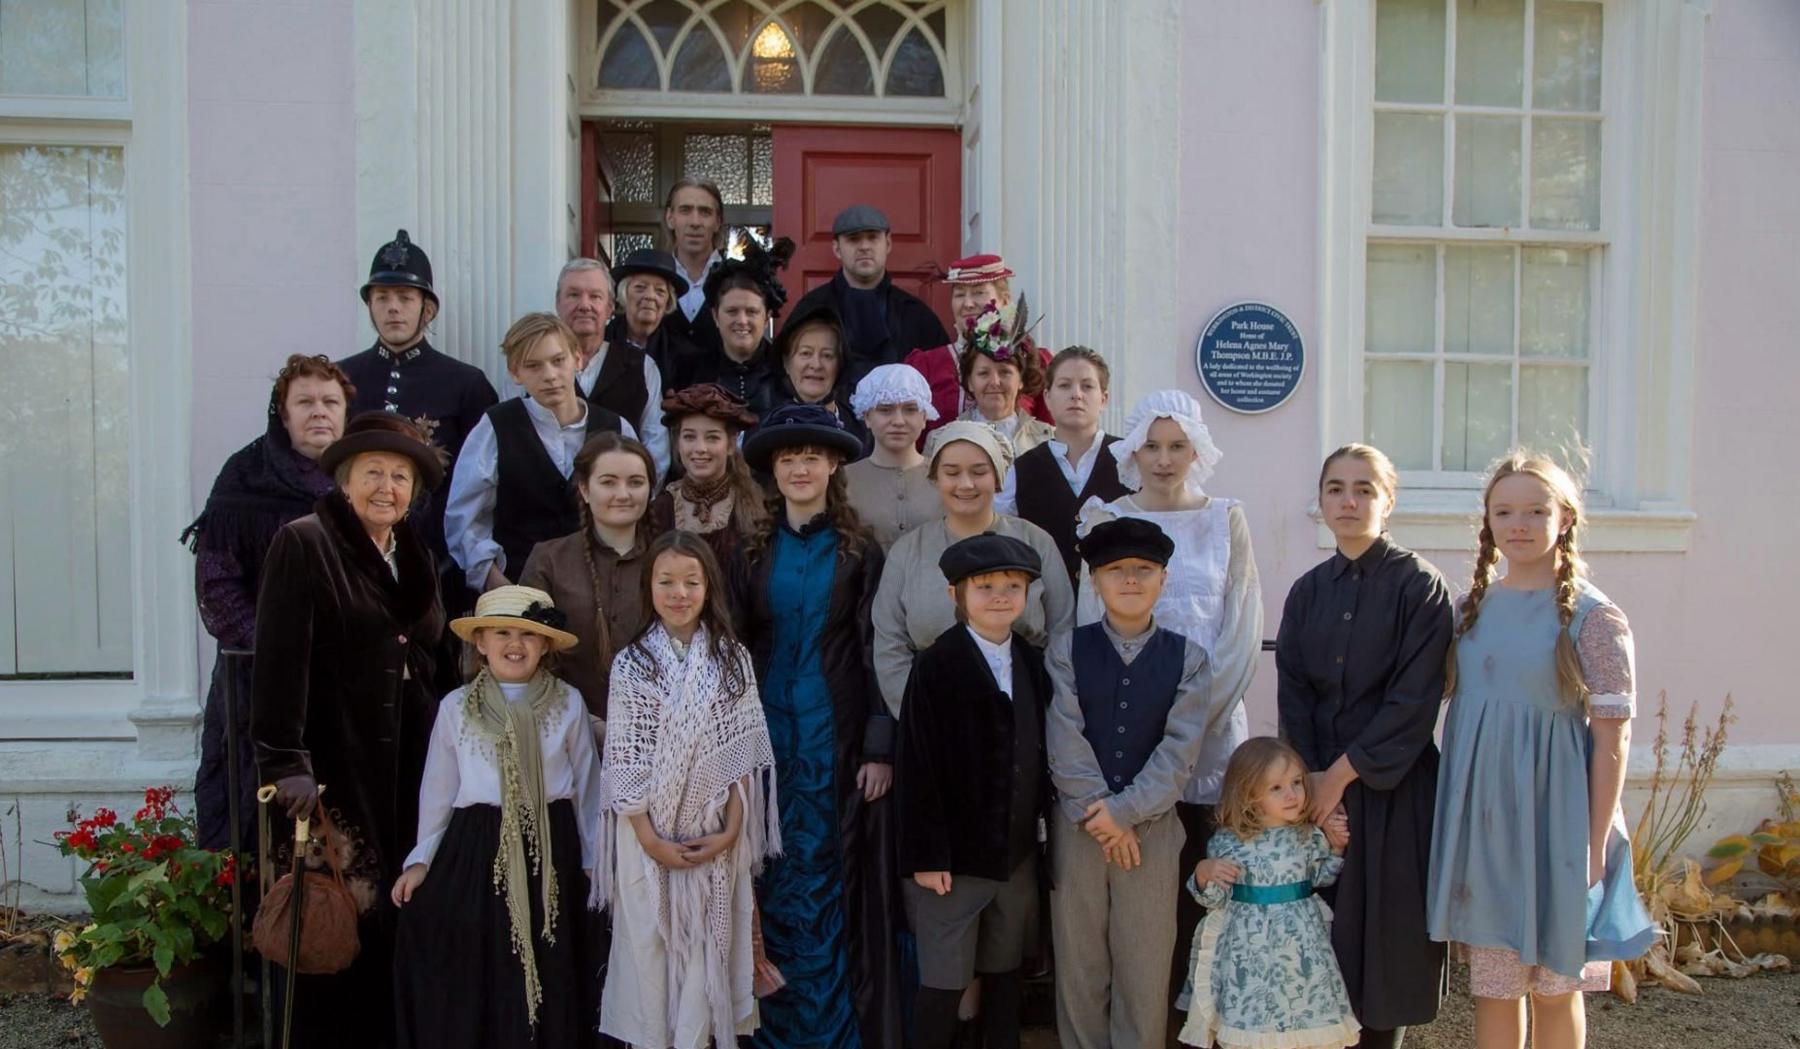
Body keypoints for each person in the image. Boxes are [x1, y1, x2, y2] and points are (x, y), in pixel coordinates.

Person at [1426, 452, 1655, 1048]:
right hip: (1487, 827)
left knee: (1557, 990)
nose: (1519, 523)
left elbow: (1614, 733)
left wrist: (1595, 841)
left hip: (1560, 825)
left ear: (1566, 517)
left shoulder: (1593, 616)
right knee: (1495, 990)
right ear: (1488, 521)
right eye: (1504, 511)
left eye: (1535, 510)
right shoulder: (1468, 610)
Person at [251, 412, 448, 1049]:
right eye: (373, 474)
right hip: (333, 770)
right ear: (343, 479)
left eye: (400, 476)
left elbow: (428, 654)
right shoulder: (304, 543)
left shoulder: (414, 550)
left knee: (397, 912)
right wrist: (285, 762)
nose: (387, 487)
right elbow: (278, 662)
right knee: (334, 919)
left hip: (411, 765)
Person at [1073, 389, 1262, 1013]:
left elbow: (1240, 626)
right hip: (1124, 734)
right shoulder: (1106, 517)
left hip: (1206, 734)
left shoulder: (1225, 516)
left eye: (1177, 445)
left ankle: (1204, 1018)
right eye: (1151, 446)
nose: (1163, 458)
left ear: (1197, 450)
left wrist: (1191, 720)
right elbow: (1086, 629)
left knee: (1208, 880)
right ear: (1131, 449)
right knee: (1139, 892)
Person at [737, 405, 903, 1048]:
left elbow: (876, 650)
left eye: (811, 456)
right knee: (769, 874)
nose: (799, 467)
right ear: (773, 471)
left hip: (836, 744)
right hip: (764, 739)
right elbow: (735, 649)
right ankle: (770, 1028)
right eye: (787, 457)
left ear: (833, 465)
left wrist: (879, 745)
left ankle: (832, 1033)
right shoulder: (749, 550)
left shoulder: (861, 551)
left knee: (831, 879)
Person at [1277, 445, 1454, 1048]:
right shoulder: (1307, 591)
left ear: (1388, 500)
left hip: (1392, 788)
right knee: (1320, 938)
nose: (1348, 501)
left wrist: (1340, 778)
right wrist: (1311, 782)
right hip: (1318, 795)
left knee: (1386, 945)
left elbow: (1413, 700)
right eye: (1335, 488)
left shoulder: (1420, 586)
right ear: (1322, 500)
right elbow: (1294, 693)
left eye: (1364, 489)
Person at [392, 585, 601, 1049]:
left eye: (527, 634)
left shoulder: (568, 703)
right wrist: (422, 859)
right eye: (502, 632)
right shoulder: (455, 708)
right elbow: (439, 792)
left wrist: (593, 858)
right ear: (480, 642)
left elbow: (588, 788)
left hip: (552, 848)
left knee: (552, 957)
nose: (515, 643)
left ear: (545, 644)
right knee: (482, 959)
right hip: (478, 846)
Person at [595, 531, 780, 1049]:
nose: (679, 593)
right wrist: (652, 840)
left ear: (708, 587)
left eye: (691, 582)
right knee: (652, 956)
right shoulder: (633, 664)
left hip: (715, 835)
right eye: (667, 581)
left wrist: (730, 833)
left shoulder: (732, 658)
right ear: (648, 586)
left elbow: (743, 754)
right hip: (647, 839)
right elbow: (625, 763)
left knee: (709, 959)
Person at [1046, 518, 1221, 1049]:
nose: (1129, 580)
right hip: (1080, 827)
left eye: (1143, 570)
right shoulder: (1065, 650)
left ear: (1163, 580)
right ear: (1094, 581)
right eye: (1115, 570)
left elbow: (1179, 751)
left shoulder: (1188, 658)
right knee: (1079, 966)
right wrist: (1101, 811)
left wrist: (1128, 812)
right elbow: (1064, 735)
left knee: (1145, 965)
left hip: (1154, 828)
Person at [184, 354, 353, 850]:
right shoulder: (245, 474)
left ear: (345, 412)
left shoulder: (365, 477)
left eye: (330, 401)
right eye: (304, 402)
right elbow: (216, 581)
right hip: (257, 674)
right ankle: (258, 919)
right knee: (255, 809)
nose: (318, 412)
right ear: (283, 413)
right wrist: (277, 647)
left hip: (344, 678)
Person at [896, 533, 1053, 1049]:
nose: (1000, 596)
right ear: (955, 595)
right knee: (944, 982)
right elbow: (917, 763)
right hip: (954, 861)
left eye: (1013, 585)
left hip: (1014, 855)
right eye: (984, 586)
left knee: (1005, 976)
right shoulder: (937, 665)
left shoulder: (1031, 662)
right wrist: (926, 853)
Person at [871, 420, 1074, 719]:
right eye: (952, 473)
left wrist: (1045, 707)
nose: (965, 484)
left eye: (979, 472)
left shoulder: (1036, 542)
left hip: (1026, 711)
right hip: (931, 713)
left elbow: (1063, 630)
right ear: (935, 478)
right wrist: (919, 715)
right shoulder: (908, 550)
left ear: (998, 477)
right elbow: (890, 643)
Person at [337, 229, 499, 593]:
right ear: (369, 306)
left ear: (428, 308)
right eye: (382, 297)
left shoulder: (466, 383)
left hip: (437, 562)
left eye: (405, 297)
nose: (393, 308)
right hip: (349, 558)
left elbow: (483, 480)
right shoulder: (340, 379)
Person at [1177, 737, 1359, 1049]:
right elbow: (1215, 901)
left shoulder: (1307, 835)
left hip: (1300, 949)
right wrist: (1204, 873)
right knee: (1253, 1018)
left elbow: (1323, 877)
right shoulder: (1228, 842)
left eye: (1297, 783)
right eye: (1276, 788)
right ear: (1248, 794)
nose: (1292, 794)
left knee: (1301, 1009)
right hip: (1249, 952)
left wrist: (1337, 847)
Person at [446, 313, 629, 593]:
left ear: (577, 360)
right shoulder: (496, 427)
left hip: (602, 591)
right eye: (534, 366)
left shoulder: (616, 429)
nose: (550, 375)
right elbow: (466, 518)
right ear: (515, 372)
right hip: (517, 586)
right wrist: (495, 582)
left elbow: (636, 510)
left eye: (558, 361)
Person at [519, 433, 659, 719]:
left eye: (635, 482)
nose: (623, 494)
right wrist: (584, 723)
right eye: (608, 482)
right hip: (563, 730)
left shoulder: (671, 560)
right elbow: (527, 651)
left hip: (659, 736)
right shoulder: (549, 560)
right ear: (584, 489)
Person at [514, 258, 671, 482]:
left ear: (609, 308)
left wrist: (638, 500)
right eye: (574, 295)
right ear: (558, 303)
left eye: (595, 296)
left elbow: (656, 448)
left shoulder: (643, 367)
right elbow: (511, 435)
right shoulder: (527, 365)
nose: (584, 305)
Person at [786, 205, 950, 383]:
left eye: (872, 238)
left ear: (887, 243)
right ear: (837, 248)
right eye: (853, 239)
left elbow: (943, 380)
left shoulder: (917, 315)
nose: (864, 247)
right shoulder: (812, 309)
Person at [1011, 346, 1129, 587]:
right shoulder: (1022, 468)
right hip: (1046, 609)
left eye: (1087, 386)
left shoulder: (1130, 460)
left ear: (1103, 399)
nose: (1076, 394)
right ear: (1047, 397)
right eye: (1065, 385)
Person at [902, 254, 1052, 438]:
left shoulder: (1033, 360)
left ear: (1005, 300)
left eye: (978, 292)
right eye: (959, 294)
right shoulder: (927, 366)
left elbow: (1051, 433)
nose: (967, 304)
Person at [665, 238, 795, 418]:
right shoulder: (690, 372)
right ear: (716, 316)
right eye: (732, 311)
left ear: (766, 318)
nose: (742, 320)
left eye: (751, 312)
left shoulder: (788, 371)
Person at [649, 384, 767, 578]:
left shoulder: (755, 506)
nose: (700, 448)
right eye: (689, 437)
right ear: (678, 443)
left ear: (730, 444)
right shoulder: (661, 508)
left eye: (712, 438)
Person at [955, 295, 1054, 512]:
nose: (995, 382)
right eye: (983, 373)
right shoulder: (944, 439)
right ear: (969, 382)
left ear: (1020, 380)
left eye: (1005, 372)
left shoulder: (1049, 439)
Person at [842, 363, 943, 551]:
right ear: (867, 416)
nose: (898, 421)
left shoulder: (945, 476)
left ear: (924, 417)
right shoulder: (843, 480)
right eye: (885, 410)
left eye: (910, 409)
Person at [768, 302, 869, 452]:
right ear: (786, 363)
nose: (816, 365)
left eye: (827, 355)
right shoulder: (767, 430)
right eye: (805, 353)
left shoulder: (863, 433)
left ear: (840, 365)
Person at [607, 248, 697, 381]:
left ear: (668, 301)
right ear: (624, 293)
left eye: (660, 291)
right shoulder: (602, 341)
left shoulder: (684, 355)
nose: (650, 296)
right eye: (640, 288)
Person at [661, 177, 728, 353]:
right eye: (685, 211)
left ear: (718, 222)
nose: (695, 222)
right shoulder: (656, 278)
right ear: (670, 218)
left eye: (705, 212)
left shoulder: (735, 278)